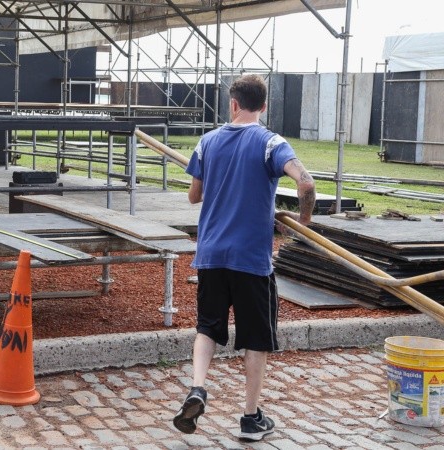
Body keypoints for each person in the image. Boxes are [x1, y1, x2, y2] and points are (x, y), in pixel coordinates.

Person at [172, 74, 316, 442]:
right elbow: (306, 183)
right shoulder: (271, 143)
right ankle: (251, 419)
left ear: (232, 104)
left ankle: (198, 388)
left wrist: (213, 177)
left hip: (211, 255)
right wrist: (303, 221)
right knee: (256, 339)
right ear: (263, 107)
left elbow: (193, 196)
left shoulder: (207, 142)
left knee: (208, 327)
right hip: (251, 259)